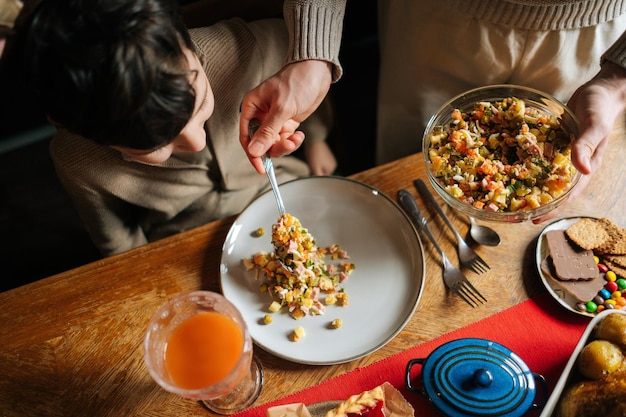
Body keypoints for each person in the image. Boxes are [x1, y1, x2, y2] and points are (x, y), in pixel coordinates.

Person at [243, 0, 626, 223]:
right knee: (404, 161)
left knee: (555, 164)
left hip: (595, 29)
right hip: (438, 16)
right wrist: (313, 47)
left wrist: (616, 81)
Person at [14, 0, 344, 257]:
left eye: (200, 106)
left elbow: (302, 92)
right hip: (183, 239)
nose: (197, 142)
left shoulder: (249, 47)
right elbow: (117, 241)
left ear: (185, 40)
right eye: (159, 146)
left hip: (283, 187)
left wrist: (316, 139)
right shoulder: (77, 161)